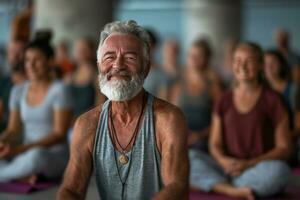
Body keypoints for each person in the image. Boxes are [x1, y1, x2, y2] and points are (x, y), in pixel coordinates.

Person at [57, 20, 189, 200]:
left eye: (130, 58)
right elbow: (71, 189)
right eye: (109, 57)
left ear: (146, 68)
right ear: (99, 66)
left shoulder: (167, 119)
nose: (118, 65)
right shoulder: (87, 124)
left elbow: (177, 185)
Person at [189, 42, 291, 200]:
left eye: (249, 61)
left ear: (260, 65)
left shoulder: (274, 100)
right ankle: (233, 190)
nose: (242, 66)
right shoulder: (224, 99)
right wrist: (223, 162)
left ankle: (218, 185)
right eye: (237, 61)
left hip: (257, 167)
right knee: (187, 157)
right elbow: (215, 144)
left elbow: (284, 148)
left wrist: (248, 164)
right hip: (226, 167)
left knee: (280, 171)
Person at [0, 31, 72, 183]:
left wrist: (20, 150)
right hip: (23, 153)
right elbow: (13, 130)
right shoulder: (18, 90)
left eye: (37, 60)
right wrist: (3, 140)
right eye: (27, 60)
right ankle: (20, 176)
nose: (30, 65)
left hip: (51, 155)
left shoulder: (59, 90)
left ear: (50, 61)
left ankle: (11, 175)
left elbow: (59, 134)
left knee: (36, 156)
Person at [170, 39, 217, 151]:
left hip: (203, 140)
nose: (193, 59)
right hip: (180, 136)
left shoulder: (214, 87)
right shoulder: (178, 84)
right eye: (191, 55)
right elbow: (171, 115)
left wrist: (200, 135)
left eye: (199, 55)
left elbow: (220, 122)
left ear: (207, 59)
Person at [264, 50, 300, 164]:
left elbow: (299, 127)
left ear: (282, 65)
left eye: (273, 63)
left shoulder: (294, 90)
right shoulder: (259, 90)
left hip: (289, 139)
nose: (269, 67)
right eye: (265, 64)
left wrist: (281, 140)